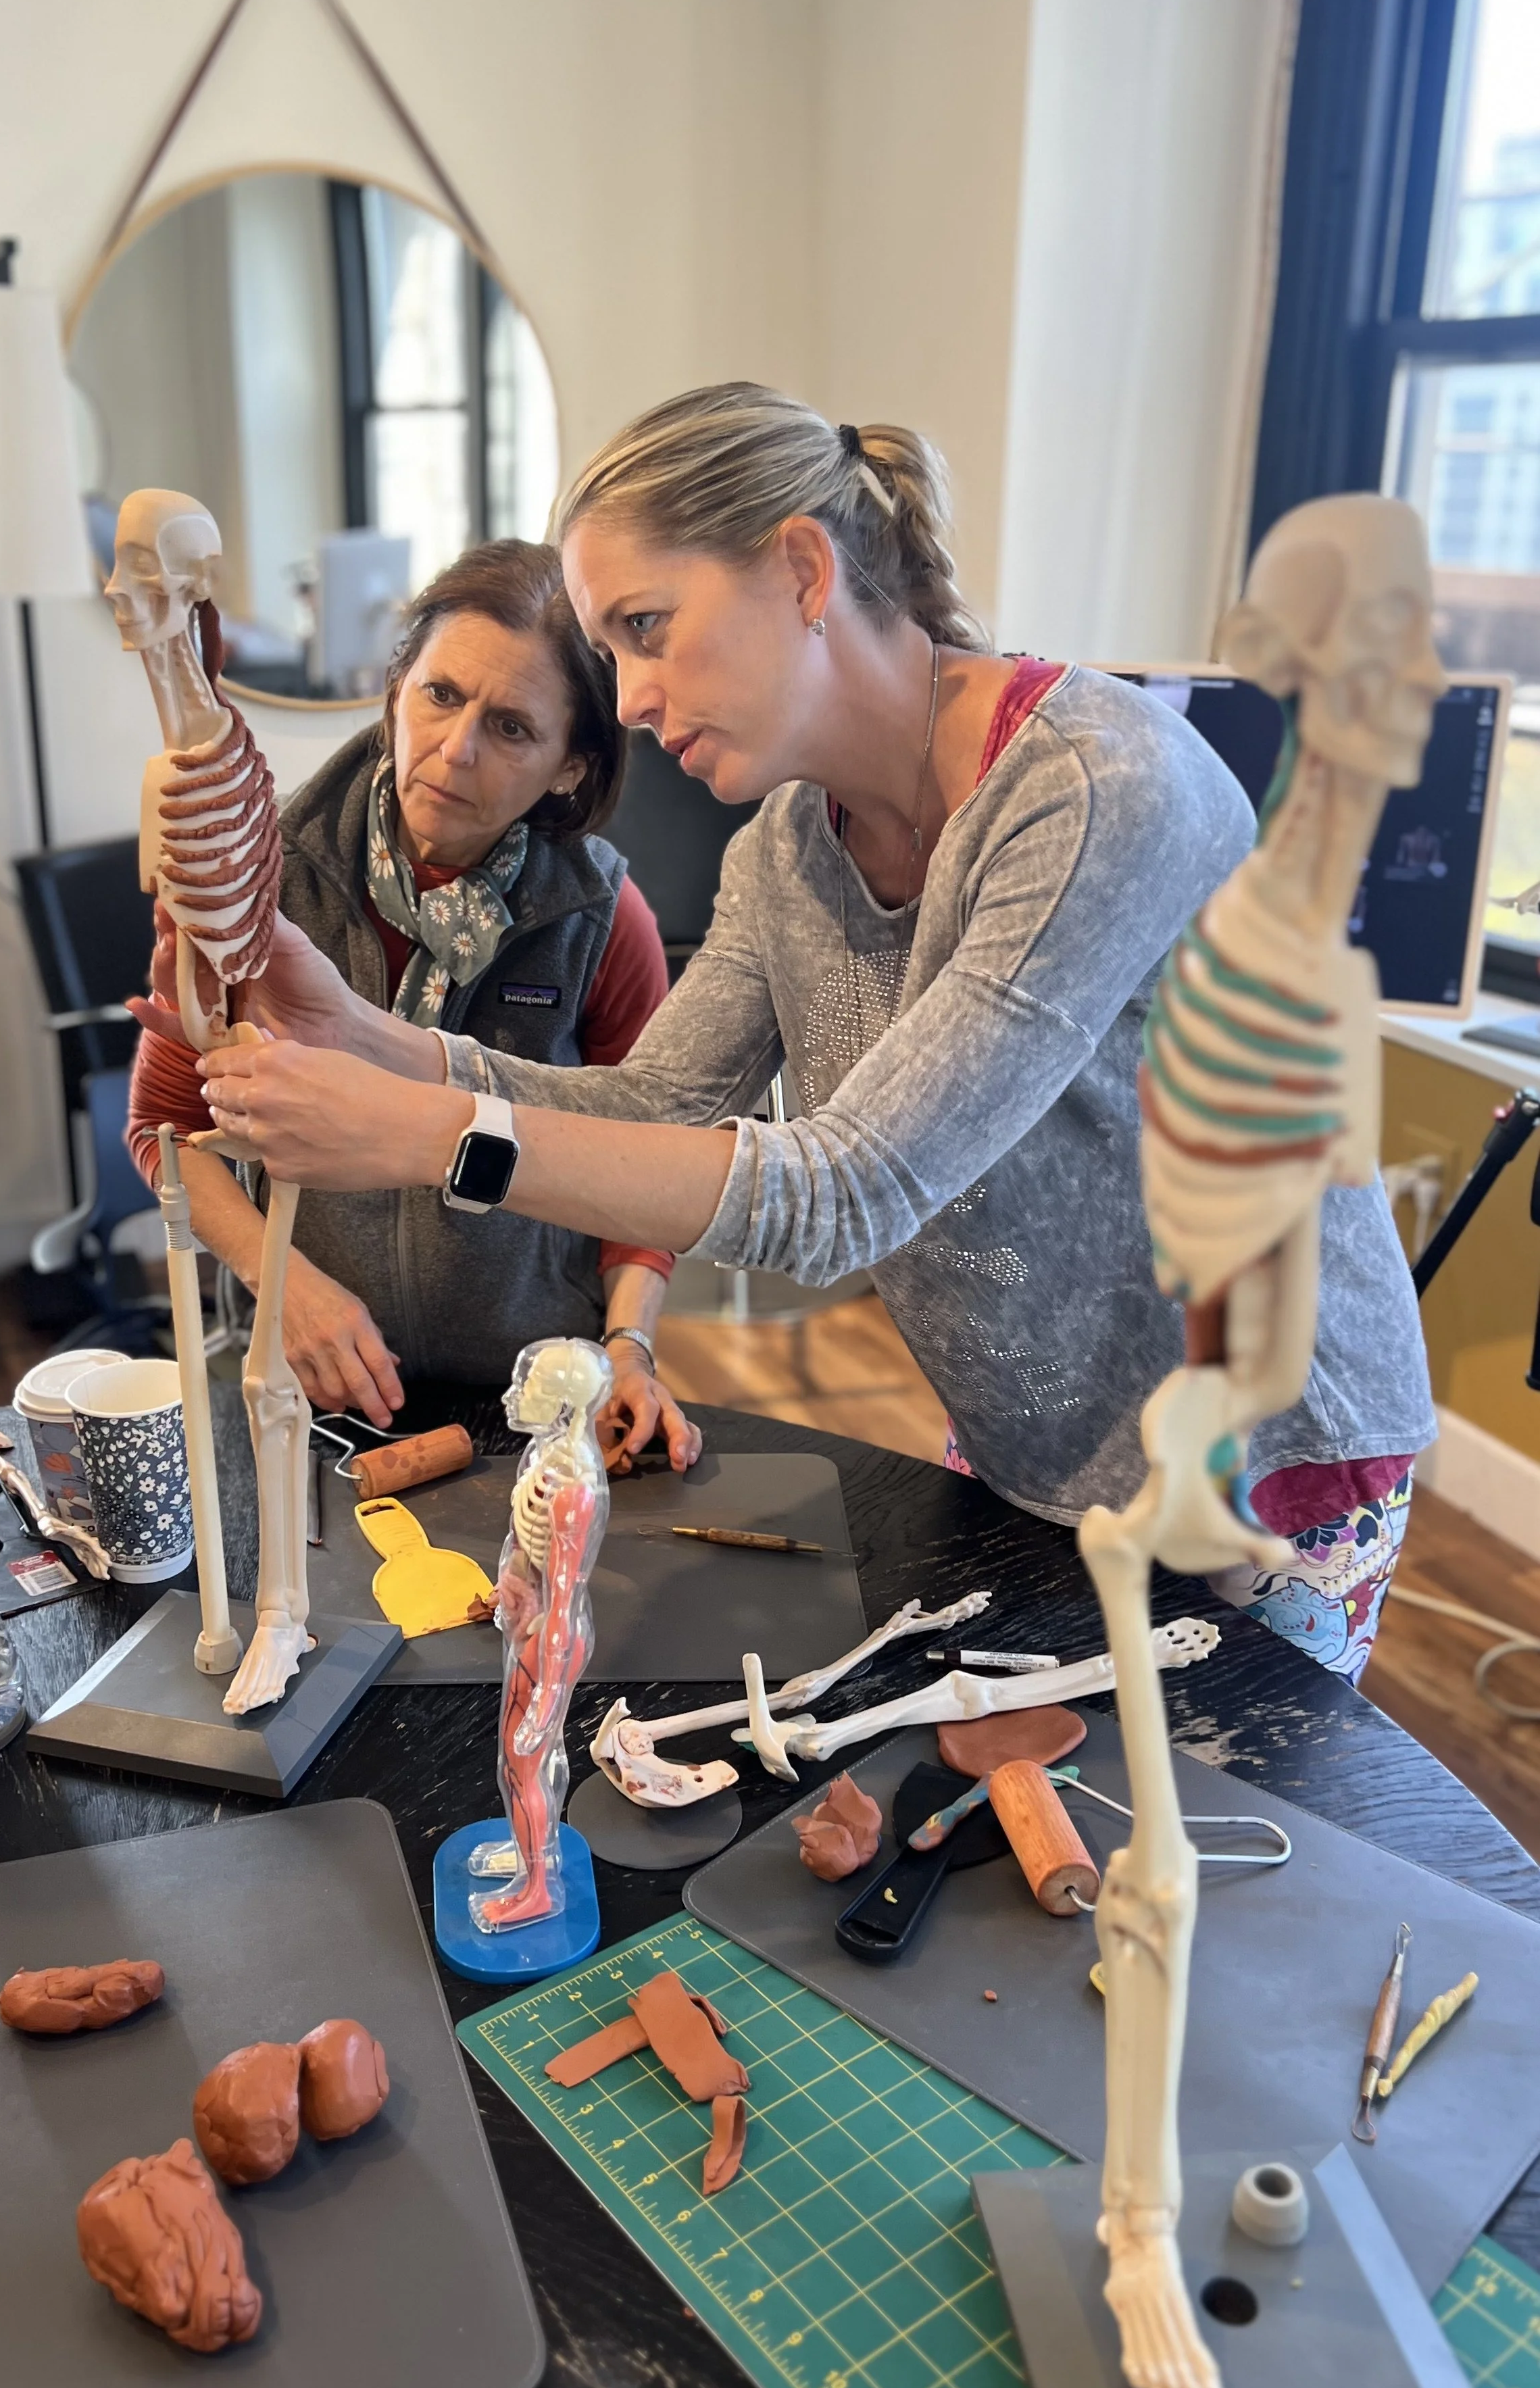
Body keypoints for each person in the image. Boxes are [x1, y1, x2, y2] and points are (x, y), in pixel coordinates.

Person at [193, 384, 1435, 1681]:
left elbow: (847, 1190)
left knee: (1212, 1843)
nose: (625, 700)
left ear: (801, 568)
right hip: (1035, 1429)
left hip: (1268, 1447)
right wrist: (369, 1039)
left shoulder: (1092, 792)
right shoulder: (789, 848)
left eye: (648, 629)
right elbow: (654, 1099)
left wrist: (430, 1135)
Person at [127, 537, 699, 1474]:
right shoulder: (248, 880)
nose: (456, 748)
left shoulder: (604, 920)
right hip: (300, 1387)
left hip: (533, 1398)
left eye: (513, 727)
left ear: (570, 765)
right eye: (440, 695)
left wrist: (631, 1348)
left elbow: (648, 1166)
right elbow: (164, 1128)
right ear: (397, 686)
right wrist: (287, 1290)